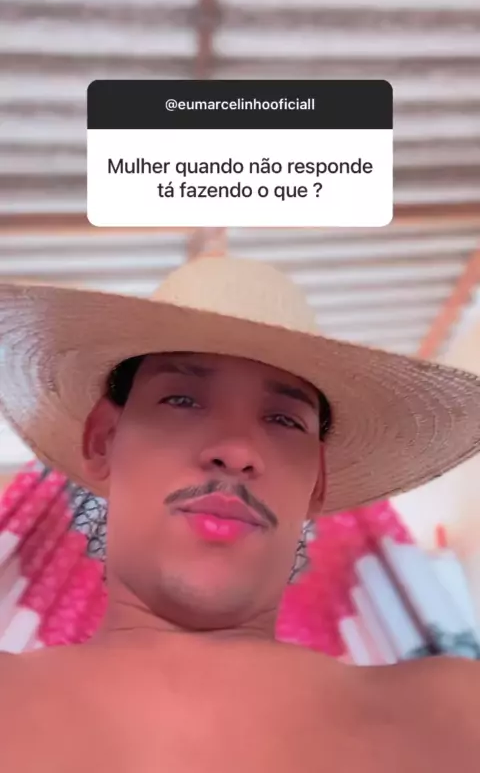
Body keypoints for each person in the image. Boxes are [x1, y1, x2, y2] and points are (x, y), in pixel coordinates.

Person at [0, 254, 480, 772]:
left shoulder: (453, 716)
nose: (236, 451)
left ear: (317, 482)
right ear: (103, 439)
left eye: (284, 420)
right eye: (182, 400)